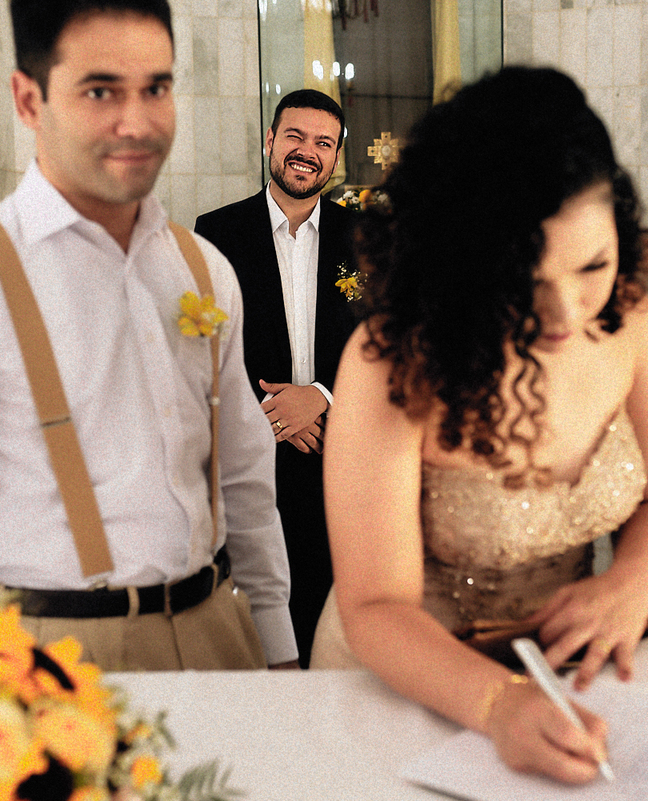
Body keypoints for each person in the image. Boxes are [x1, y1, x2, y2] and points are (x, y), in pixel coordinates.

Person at [0, 0, 298, 672]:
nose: (137, 121)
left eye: (157, 88)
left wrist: (276, 645)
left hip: (218, 632)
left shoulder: (205, 268)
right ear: (28, 100)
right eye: (100, 91)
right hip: (49, 652)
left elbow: (244, 482)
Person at [309, 67, 648, 784]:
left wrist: (630, 582)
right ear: (460, 261)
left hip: (561, 677)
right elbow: (375, 605)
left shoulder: (630, 315)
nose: (566, 314)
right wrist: (499, 704)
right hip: (410, 683)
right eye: (524, 283)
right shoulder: (393, 359)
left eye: (592, 265)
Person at [194, 90, 358, 667]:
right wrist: (271, 418)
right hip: (250, 460)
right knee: (255, 627)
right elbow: (205, 346)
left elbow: (392, 343)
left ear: (337, 158)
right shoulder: (214, 233)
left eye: (322, 143)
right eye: (294, 136)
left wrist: (320, 397)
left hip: (341, 458)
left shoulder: (368, 239)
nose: (306, 152)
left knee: (329, 628)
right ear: (270, 142)